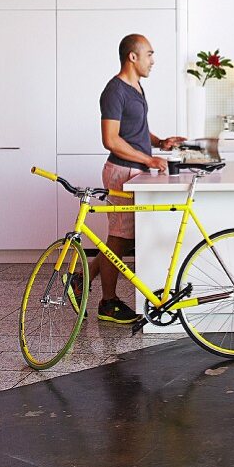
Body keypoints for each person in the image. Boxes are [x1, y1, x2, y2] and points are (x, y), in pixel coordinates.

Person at [88, 33, 184, 324]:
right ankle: (107, 302)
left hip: (135, 171)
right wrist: (148, 159)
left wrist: (160, 142)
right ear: (133, 57)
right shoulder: (114, 91)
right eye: (149, 54)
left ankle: (80, 278)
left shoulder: (136, 87)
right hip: (121, 171)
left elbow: (136, 131)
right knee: (119, 238)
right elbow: (111, 140)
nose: (153, 61)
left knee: (124, 237)